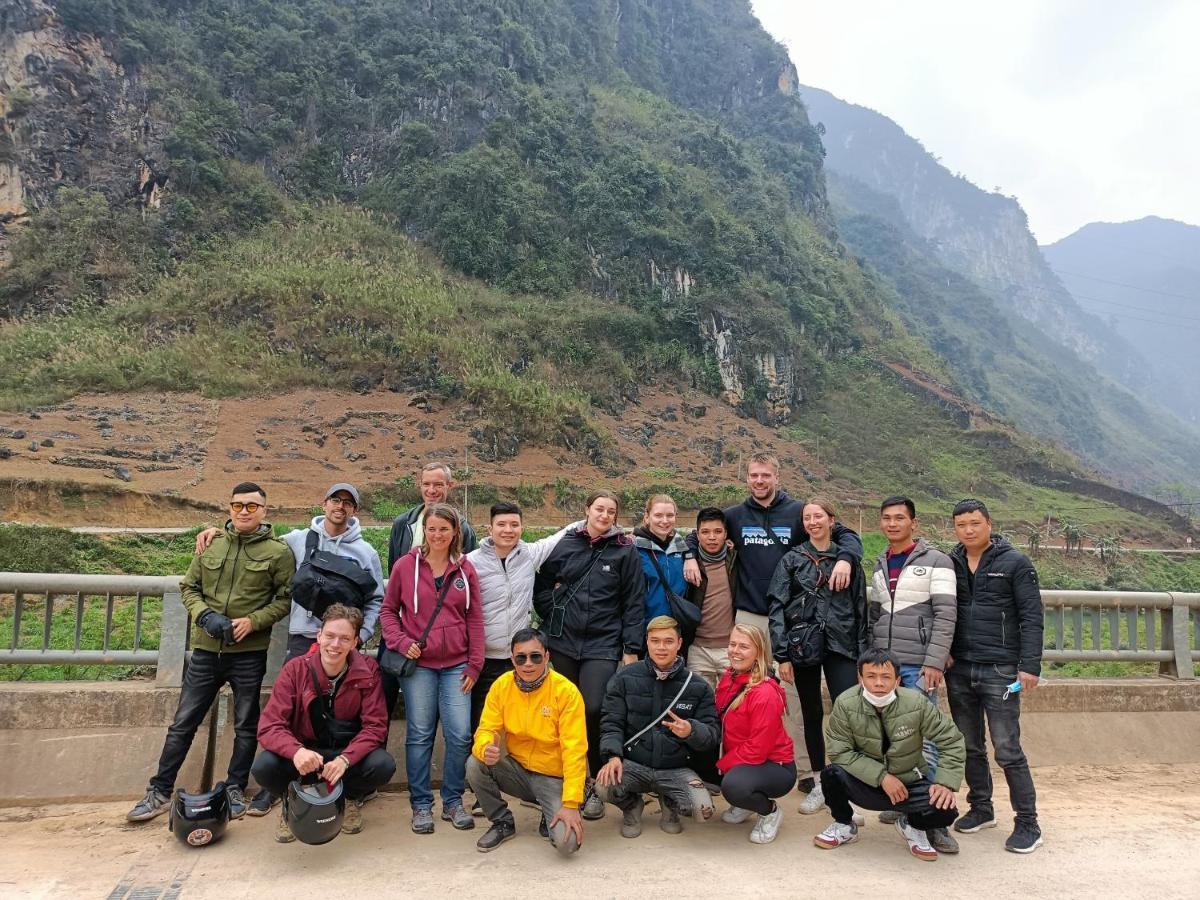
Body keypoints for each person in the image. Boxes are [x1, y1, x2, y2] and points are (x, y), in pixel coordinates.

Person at [194, 482, 386, 816]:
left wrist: (361, 633)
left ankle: (343, 780)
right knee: (295, 713)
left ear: (354, 509)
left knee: (339, 713)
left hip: (342, 642)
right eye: (335, 500)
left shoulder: (366, 552)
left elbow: (375, 599)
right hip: (303, 639)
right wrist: (219, 533)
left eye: (347, 503)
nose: (340, 507)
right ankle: (283, 784)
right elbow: (255, 546)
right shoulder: (296, 541)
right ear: (323, 503)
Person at [684, 452, 863, 784]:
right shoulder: (735, 515)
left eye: (765, 475)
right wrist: (689, 555)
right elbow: (700, 533)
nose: (760, 481)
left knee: (795, 698)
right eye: (754, 475)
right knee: (739, 696)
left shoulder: (798, 513)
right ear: (747, 478)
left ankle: (806, 768)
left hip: (792, 623)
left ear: (777, 477)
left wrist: (847, 560)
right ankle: (732, 766)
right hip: (749, 617)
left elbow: (847, 535)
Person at [127, 482, 293, 823]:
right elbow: (189, 586)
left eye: (251, 506)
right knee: (183, 723)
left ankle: (234, 788)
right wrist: (204, 615)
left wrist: (254, 621)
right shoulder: (211, 543)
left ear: (264, 511)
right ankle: (159, 791)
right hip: (205, 651)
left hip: (248, 653)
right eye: (237, 505)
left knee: (246, 725)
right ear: (229, 508)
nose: (244, 511)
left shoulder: (277, 553)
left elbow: (285, 598)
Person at [533, 490, 646, 821]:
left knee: (594, 708)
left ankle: (598, 783)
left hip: (603, 643)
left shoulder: (625, 550)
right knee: (564, 713)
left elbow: (633, 602)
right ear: (587, 510)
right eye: (600, 509)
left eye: (612, 511)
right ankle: (572, 782)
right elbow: (541, 582)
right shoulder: (567, 543)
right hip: (564, 642)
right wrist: (550, 610)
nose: (605, 515)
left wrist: (631, 649)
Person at [946, 499, 1044, 854]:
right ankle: (981, 808)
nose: (968, 530)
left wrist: (1029, 665)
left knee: (1006, 748)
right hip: (959, 668)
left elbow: (1031, 617)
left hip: (1001, 669)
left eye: (974, 523)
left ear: (988, 523)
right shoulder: (951, 562)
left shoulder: (1016, 563)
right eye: (961, 524)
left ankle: (1028, 822)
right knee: (969, 745)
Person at [380, 502, 483, 834]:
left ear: (456, 532)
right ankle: (421, 805)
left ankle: (453, 800)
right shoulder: (404, 567)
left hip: (457, 665)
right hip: (420, 666)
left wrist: (475, 664)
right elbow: (387, 612)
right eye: (432, 529)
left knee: (460, 735)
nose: (438, 535)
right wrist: (399, 640)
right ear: (424, 530)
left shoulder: (465, 570)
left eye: (444, 529)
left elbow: (475, 619)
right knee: (420, 735)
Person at [252, 605, 396, 841]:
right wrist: (296, 751)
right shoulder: (295, 670)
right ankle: (292, 802)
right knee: (264, 766)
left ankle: (348, 799)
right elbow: (269, 726)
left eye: (344, 638)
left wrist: (346, 759)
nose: (335, 644)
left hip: (343, 754)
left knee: (383, 764)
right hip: (306, 753)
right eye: (329, 636)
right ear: (319, 636)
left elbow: (375, 727)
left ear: (355, 642)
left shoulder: (368, 671)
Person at [866, 495, 958, 851]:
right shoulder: (879, 563)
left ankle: (934, 821)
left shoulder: (937, 561)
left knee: (926, 740)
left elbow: (946, 615)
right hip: (885, 668)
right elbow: (875, 617)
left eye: (899, 518)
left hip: (920, 665)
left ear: (913, 523)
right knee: (892, 738)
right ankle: (906, 803)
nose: (892, 524)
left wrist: (934, 661)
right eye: (886, 518)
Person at [814, 648, 964, 862]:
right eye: (871, 676)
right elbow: (840, 751)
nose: (878, 683)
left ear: (897, 680)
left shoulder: (916, 703)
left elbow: (951, 740)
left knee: (946, 809)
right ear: (860, 678)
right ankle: (844, 825)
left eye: (886, 677)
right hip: (866, 784)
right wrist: (882, 776)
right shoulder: (846, 704)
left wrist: (945, 782)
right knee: (831, 774)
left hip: (908, 784)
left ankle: (912, 826)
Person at [767, 496, 868, 816]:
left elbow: (861, 608)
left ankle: (847, 781)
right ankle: (819, 781)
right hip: (803, 644)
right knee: (811, 713)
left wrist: (863, 654)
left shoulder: (848, 559)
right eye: (807, 517)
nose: (813, 522)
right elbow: (777, 606)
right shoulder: (792, 559)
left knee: (846, 712)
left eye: (818, 516)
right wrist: (781, 654)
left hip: (842, 644)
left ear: (831, 520)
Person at [594, 616, 719, 837]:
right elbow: (611, 722)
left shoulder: (697, 686)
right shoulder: (624, 677)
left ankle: (670, 803)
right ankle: (632, 806)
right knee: (603, 784)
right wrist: (613, 756)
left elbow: (712, 735)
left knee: (702, 809)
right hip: (634, 764)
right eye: (655, 641)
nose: (661, 647)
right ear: (647, 642)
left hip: (676, 768)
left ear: (679, 643)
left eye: (668, 641)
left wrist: (691, 730)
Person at [467, 628, 587, 855]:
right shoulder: (502, 686)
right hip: (518, 770)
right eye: (521, 657)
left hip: (553, 777)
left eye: (535, 656)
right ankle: (502, 822)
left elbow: (575, 751)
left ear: (547, 657)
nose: (528, 664)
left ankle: (551, 807)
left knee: (567, 845)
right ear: (512, 659)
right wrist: (485, 748)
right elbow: (485, 729)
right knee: (475, 763)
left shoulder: (567, 692)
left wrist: (571, 803)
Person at [466, 502, 573, 735]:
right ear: (489, 528)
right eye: (501, 524)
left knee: (525, 726)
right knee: (481, 727)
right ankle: (476, 770)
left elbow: (560, 536)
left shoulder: (529, 555)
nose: (508, 530)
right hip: (482, 659)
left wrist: (595, 522)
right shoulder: (471, 563)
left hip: (519, 659)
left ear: (522, 527)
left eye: (514, 524)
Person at [381, 462, 478, 716]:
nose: (432, 490)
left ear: (450, 486)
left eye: (438, 484)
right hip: (403, 633)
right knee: (385, 694)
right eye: (427, 484)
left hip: (448, 643)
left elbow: (467, 583)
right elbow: (394, 576)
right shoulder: (403, 524)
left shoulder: (464, 528)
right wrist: (398, 636)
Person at [715, 623, 795, 844]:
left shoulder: (764, 693)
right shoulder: (729, 677)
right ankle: (746, 803)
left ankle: (769, 811)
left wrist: (722, 765)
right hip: (744, 758)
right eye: (732, 644)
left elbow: (758, 749)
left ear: (758, 652)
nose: (735, 651)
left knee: (732, 786)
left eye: (743, 646)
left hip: (775, 766)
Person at [685, 507, 738, 691]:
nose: (712, 537)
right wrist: (689, 555)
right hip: (697, 649)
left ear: (726, 534)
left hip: (730, 649)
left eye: (718, 531)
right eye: (705, 532)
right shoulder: (688, 561)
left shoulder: (736, 558)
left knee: (732, 708)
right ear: (697, 535)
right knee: (701, 708)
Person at [632, 495, 691, 633]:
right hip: (645, 630)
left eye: (670, 515)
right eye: (658, 515)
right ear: (647, 517)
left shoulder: (682, 549)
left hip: (675, 630)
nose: (665, 521)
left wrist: (690, 555)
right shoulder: (633, 549)